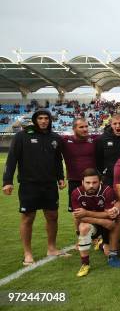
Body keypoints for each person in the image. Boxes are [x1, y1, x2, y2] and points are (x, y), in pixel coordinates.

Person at [3, 109, 67, 266]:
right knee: (28, 218)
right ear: (35, 120)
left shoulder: (55, 138)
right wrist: (7, 181)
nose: (44, 121)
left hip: (49, 185)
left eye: (46, 118)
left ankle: (51, 248)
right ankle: (28, 253)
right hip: (29, 184)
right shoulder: (22, 136)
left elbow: (57, 160)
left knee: (52, 216)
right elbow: (12, 159)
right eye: (40, 118)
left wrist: (60, 177)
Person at [71, 168, 120, 276]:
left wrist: (86, 213)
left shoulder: (108, 191)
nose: (91, 185)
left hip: (108, 224)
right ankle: (85, 264)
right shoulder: (76, 193)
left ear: (100, 182)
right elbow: (79, 217)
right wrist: (101, 220)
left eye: (94, 182)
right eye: (88, 182)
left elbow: (109, 214)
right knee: (83, 228)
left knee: (115, 251)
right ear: (82, 182)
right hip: (98, 223)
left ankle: (101, 244)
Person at [61, 117, 98, 212]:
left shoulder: (94, 139)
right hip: (75, 182)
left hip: (93, 181)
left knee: (96, 209)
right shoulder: (64, 140)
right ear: (74, 129)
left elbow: (109, 134)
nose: (85, 129)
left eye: (86, 126)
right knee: (77, 213)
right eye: (81, 127)